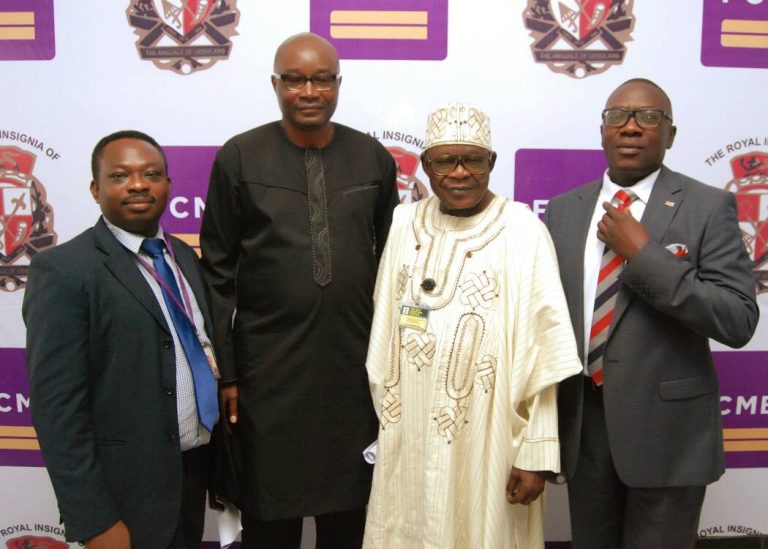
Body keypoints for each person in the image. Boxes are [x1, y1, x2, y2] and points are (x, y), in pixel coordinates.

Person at [199, 32, 398, 548]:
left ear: (338, 84)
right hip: (267, 378)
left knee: (349, 522)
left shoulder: (372, 157)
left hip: (354, 375)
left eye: (322, 79)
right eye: (294, 80)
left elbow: (394, 262)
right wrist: (228, 372)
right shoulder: (240, 157)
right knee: (271, 522)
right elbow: (216, 271)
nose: (309, 91)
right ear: (275, 85)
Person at [544, 78, 759, 549]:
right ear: (603, 130)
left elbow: (738, 319)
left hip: (668, 437)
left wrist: (644, 257)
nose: (631, 127)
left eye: (648, 117)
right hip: (584, 431)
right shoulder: (563, 211)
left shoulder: (708, 207)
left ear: (671, 134)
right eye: (617, 116)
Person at [363, 103, 583, 548]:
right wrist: (388, 420)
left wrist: (537, 452)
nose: (459, 172)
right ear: (427, 165)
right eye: (445, 160)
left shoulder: (523, 230)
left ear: (492, 163)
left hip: (491, 435)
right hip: (408, 432)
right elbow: (383, 327)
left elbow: (545, 356)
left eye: (473, 160)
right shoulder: (404, 223)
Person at [23, 130, 219, 548]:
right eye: (119, 175)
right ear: (95, 190)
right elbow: (57, 411)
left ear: (168, 185)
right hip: (124, 497)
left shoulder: (183, 257)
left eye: (151, 174)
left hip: (190, 477)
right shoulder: (64, 270)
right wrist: (94, 520)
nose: (137, 184)